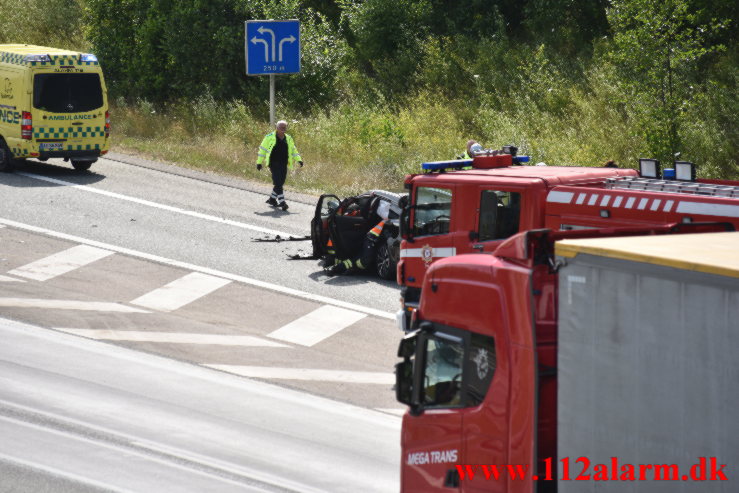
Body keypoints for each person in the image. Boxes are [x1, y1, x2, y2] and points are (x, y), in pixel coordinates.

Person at [326, 201, 390, 276]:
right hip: (370, 240)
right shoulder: (384, 212)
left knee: (359, 261)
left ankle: (337, 268)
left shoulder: (382, 212)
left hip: (369, 240)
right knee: (358, 261)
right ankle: (338, 268)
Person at [256, 120, 303, 211]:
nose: (283, 129)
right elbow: (262, 150)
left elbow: (294, 150)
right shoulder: (269, 137)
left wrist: (299, 160)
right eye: (281, 127)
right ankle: (282, 202)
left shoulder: (288, 138)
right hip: (273, 163)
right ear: (276, 128)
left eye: (284, 127)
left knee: (280, 182)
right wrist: (259, 162)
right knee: (278, 182)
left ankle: (272, 199)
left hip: (284, 163)